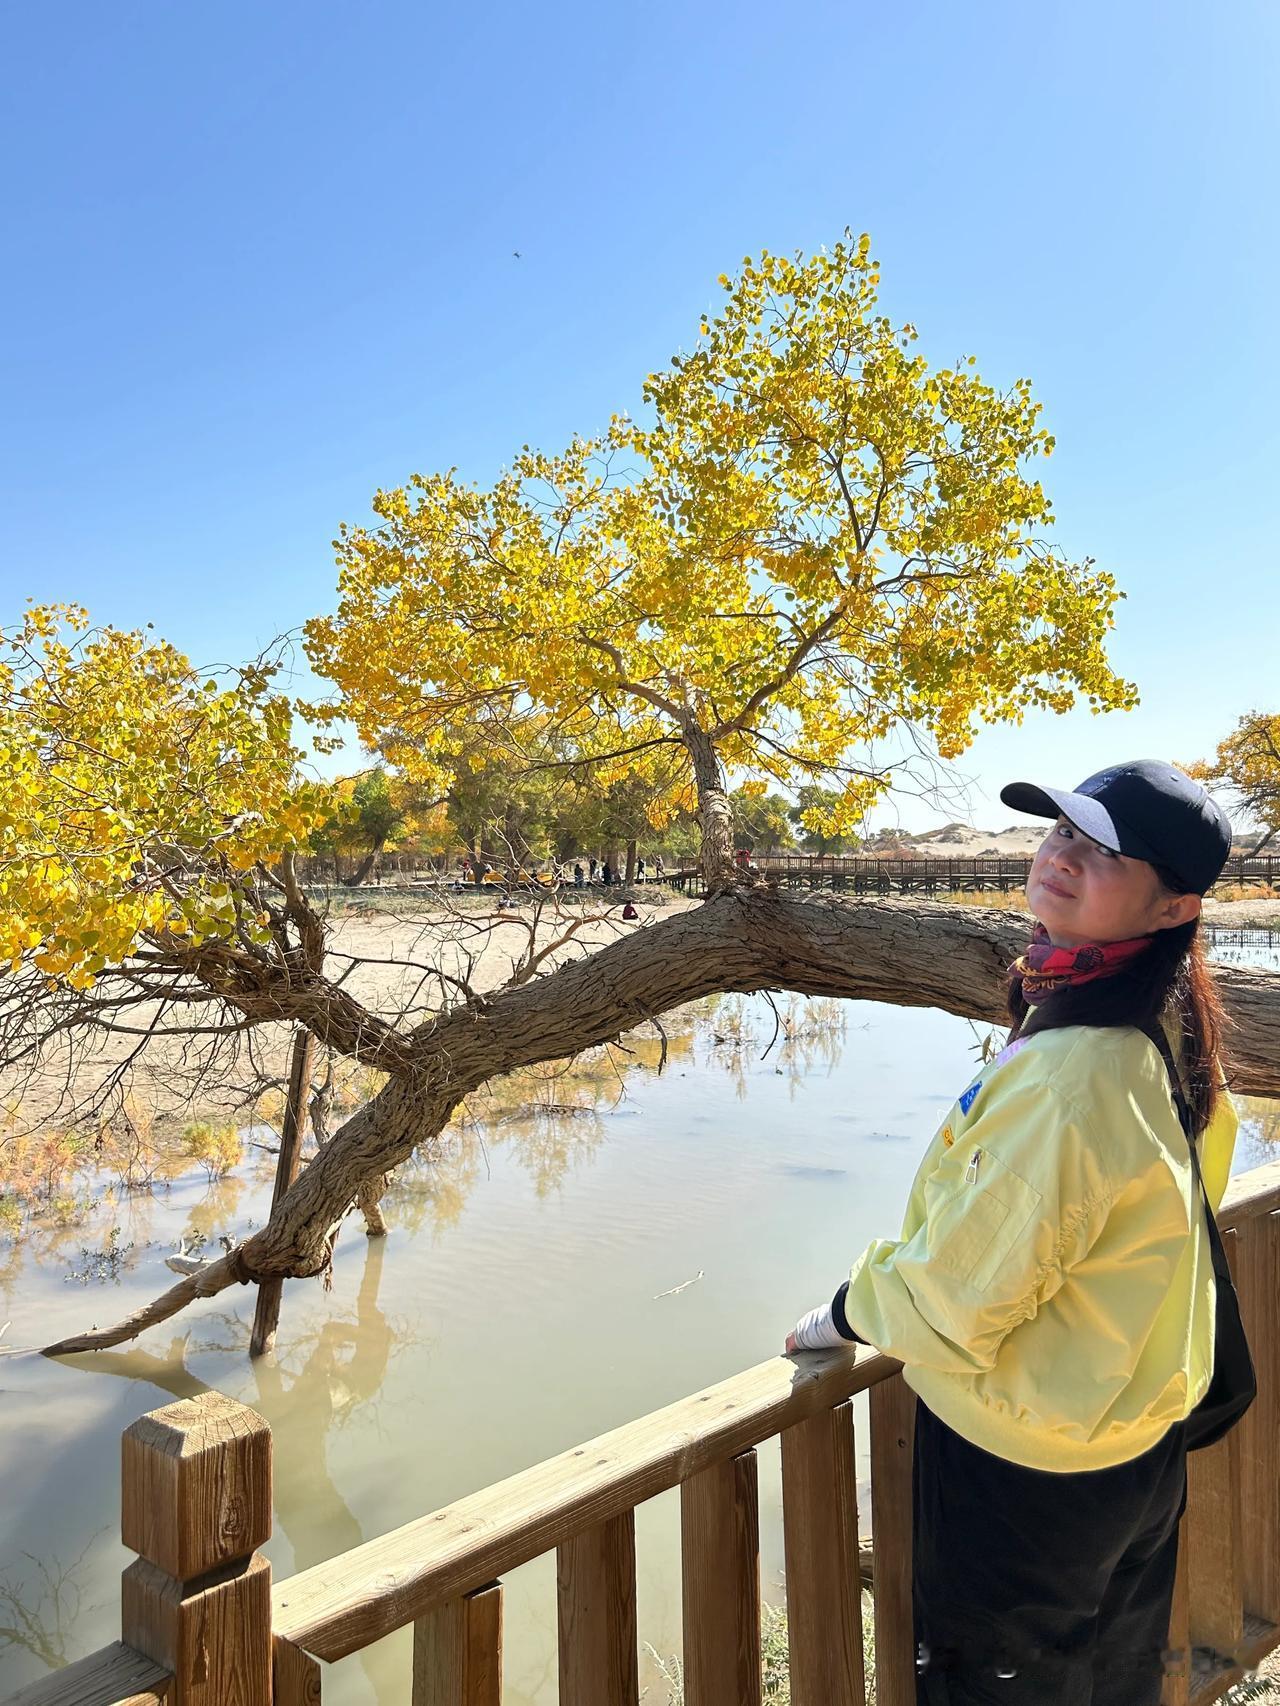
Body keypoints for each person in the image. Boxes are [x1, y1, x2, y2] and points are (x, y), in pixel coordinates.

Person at [785, 761, 1244, 1705]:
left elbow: (957, 1297)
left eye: (1104, 851)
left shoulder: (1075, 1070)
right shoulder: (1164, 1022)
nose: (1063, 857)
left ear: (1171, 908)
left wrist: (842, 1313)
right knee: (1113, 1679)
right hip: (1129, 1436)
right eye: (1060, 832)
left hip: (1028, 1468)